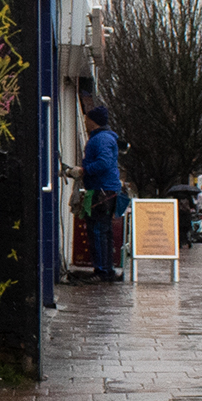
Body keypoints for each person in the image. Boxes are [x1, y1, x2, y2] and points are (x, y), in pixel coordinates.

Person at [77, 105, 122, 281]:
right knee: (105, 230)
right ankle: (107, 269)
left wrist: (83, 170)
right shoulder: (106, 138)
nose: (85, 122)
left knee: (97, 230)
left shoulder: (100, 139)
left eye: (87, 119)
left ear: (93, 121)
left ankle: (102, 271)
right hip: (107, 190)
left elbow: (103, 162)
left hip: (100, 191)